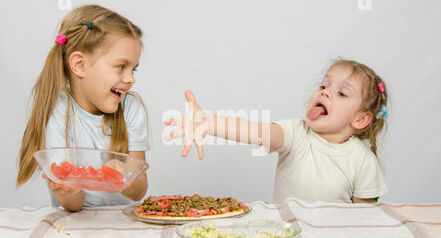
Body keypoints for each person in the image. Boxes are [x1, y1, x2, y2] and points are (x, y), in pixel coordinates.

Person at [164, 59, 389, 204]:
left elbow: (364, 222)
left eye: (342, 93)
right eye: (323, 86)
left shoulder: (363, 161)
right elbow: (253, 131)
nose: (326, 93)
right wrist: (208, 122)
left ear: (360, 119)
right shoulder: (295, 133)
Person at [16, 5, 150, 211]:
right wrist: (66, 191)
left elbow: (139, 192)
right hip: (76, 225)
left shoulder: (131, 108)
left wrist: (123, 175)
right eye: (121, 66)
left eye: (134, 69)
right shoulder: (58, 112)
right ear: (79, 64)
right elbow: (73, 205)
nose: (130, 79)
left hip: (123, 222)